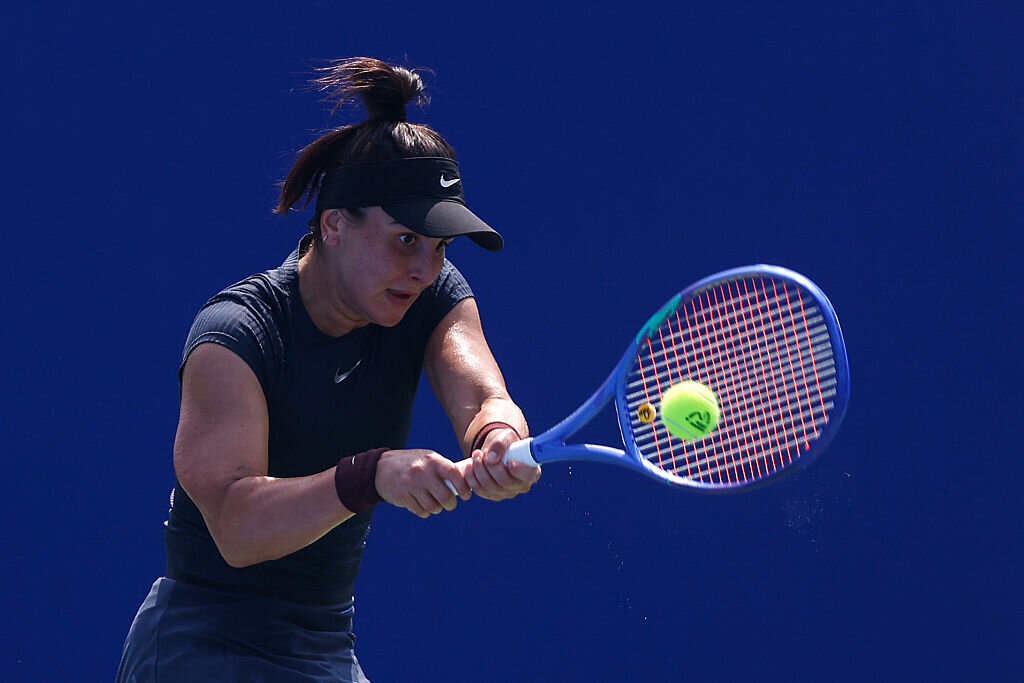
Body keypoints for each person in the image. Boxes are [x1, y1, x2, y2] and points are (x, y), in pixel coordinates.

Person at [116, 57, 541, 682]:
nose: (424, 268)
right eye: (406, 240)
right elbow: (236, 526)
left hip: (323, 642)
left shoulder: (430, 296)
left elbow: (483, 394)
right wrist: (369, 476)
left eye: (439, 247)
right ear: (334, 224)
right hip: (201, 644)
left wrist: (496, 436)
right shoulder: (235, 335)